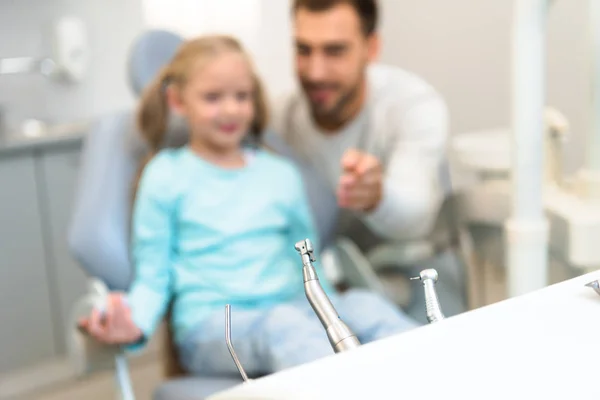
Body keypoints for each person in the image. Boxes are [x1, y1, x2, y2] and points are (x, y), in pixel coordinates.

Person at [78, 35, 419, 378]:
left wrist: (334, 309)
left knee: (367, 306)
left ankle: (433, 381)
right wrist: (132, 324)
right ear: (178, 101)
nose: (230, 109)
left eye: (241, 97)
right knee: (283, 327)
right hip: (212, 326)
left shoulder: (280, 174)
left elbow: (309, 264)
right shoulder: (166, 176)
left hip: (296, 306)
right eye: (213, 97)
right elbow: (153, 278)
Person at [271, 0, 466, 319]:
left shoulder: (411, 105)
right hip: (329, 280)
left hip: (418, 270)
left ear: (371, 47)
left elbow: (417, 214)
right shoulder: (280, 118)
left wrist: (378, 197)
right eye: (303, 50)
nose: (315, 71)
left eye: (334, 51)